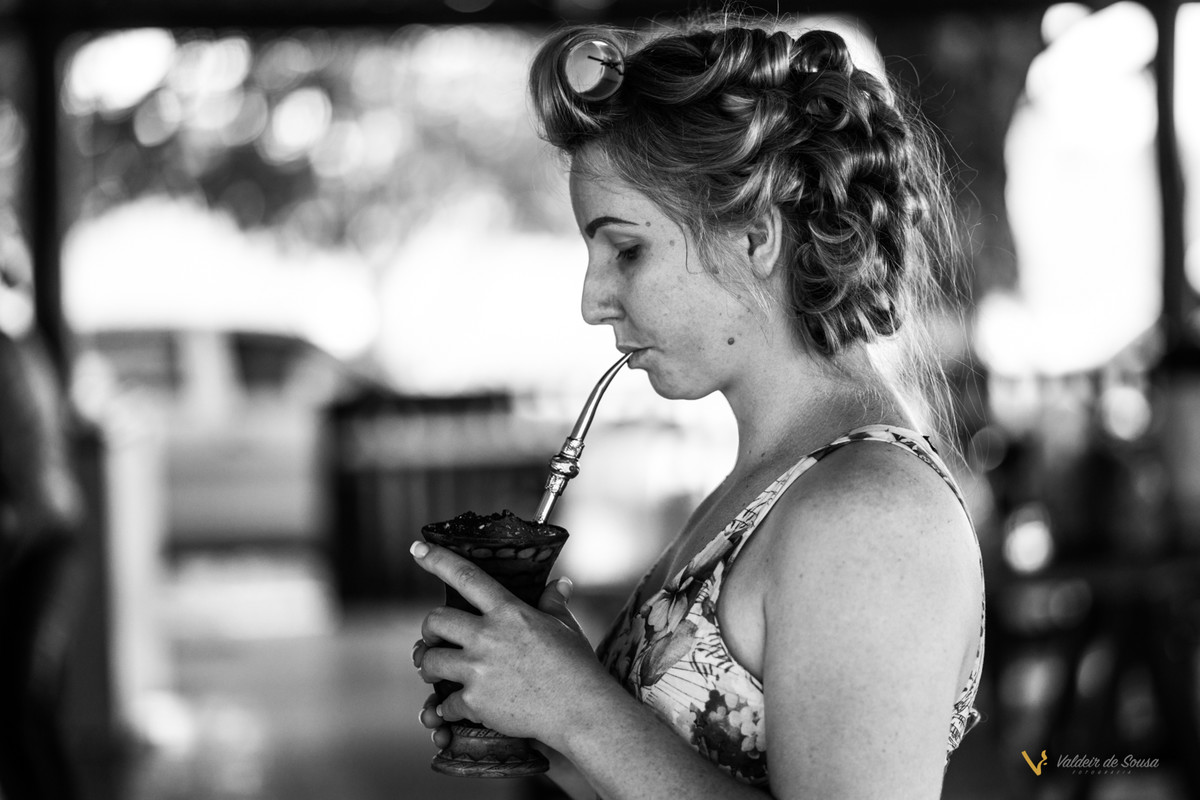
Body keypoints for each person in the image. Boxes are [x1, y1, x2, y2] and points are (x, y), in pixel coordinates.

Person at [411, 15, 985, 800]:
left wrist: (578, 710)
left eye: (627, 249)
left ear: (755, 237)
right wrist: (543, 699)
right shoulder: (768, 484)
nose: (593, 301)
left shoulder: (871, 516)